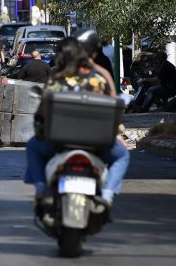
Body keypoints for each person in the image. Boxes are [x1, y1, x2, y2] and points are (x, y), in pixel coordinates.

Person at [24, 37, 130, 207]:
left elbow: (40, 117)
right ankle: (108, 193)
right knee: (122, 155)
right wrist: (116, 134)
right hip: (97, 144)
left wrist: (41, 134)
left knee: (33, 147)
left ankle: (41, 187)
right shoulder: (97, 80)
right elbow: (110, 111)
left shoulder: (55, 82)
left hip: (57, 143)